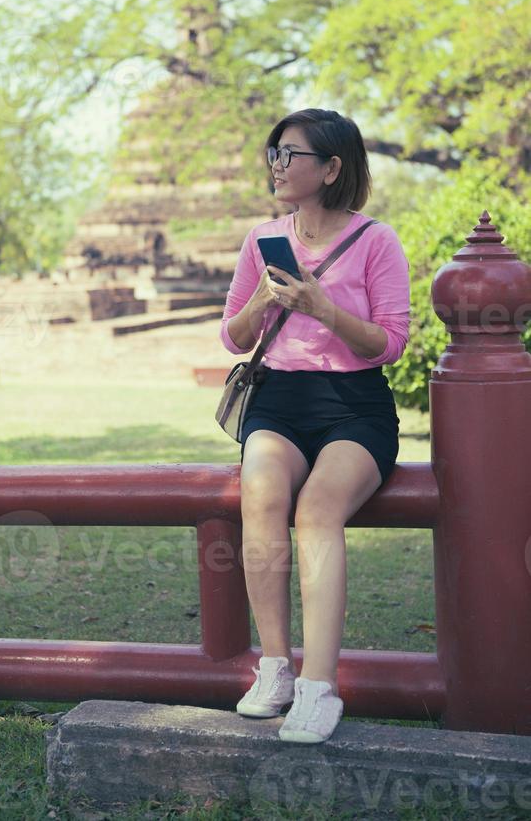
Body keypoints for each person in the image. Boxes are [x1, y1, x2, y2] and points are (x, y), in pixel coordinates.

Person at [219, 108, 410, 744]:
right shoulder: (261, 239)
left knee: (318, 510)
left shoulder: (376, 240)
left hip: (354, 405)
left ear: (331, 168)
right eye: (273, 153)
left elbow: (391, 342)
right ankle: (274, 667)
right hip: (279, 399)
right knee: (262, 494)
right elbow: (232, 336)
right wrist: (265, 300)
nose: (277, 165)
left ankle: (318, 687)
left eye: (290, 155)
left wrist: (324, 309)